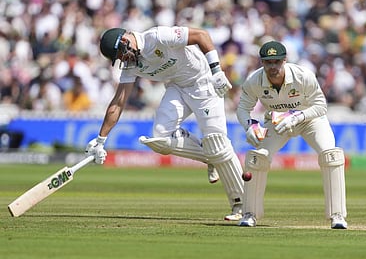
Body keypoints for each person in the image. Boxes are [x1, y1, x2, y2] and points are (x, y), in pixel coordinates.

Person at [85, 26, 244, 221]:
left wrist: (216, 71)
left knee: (218, 142)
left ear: (126, 39)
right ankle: (210, 156)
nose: (123, 59)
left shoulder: (157, 37)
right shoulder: (130, 65)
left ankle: (241, 206)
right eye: (118, 58)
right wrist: (100, 139)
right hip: (177, 87)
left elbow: (201, 35)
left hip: (204, 83)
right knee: (160, 136)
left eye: (121, 53)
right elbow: (118, 103)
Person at [236, 41, 347, 229]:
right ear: (262, 62)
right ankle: (250, 214)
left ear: (284, 60)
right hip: (277, 123)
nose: (273, 67)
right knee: (257, 158)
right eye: (268, 62)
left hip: (310, 120)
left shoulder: (303, 76)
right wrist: (250, 126)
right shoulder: (254, 81)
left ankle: (337, 215)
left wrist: (297, 116)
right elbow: (243, 109)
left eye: (277, 62)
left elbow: (321, 106)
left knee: (331, 155)